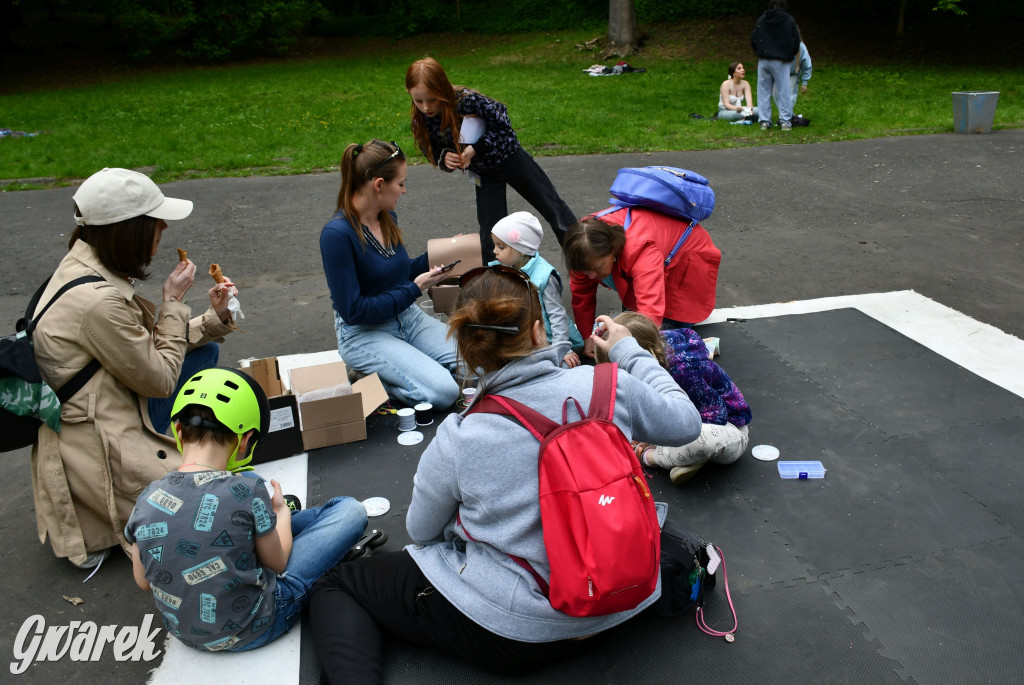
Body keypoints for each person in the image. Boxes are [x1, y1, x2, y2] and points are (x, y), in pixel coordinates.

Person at [309, 265, 701, 684]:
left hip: (520, 631)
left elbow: (421, 531)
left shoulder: (461, 435)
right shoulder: (606, 385)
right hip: (627, 598)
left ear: (466, 346)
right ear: (536, 331)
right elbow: (685, 424)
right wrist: (627, 351)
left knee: (337, 584)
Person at [30, 167, 237, 571]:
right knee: (219, 504)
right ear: (127, 231)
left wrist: (212, 319)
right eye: (154, 220)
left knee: (204, 358)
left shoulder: (87, 268)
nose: (163, 226)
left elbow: (144, 349)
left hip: (118, 401)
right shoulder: (97, 301)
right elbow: (159, 377)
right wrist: (173, 302)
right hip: (103, 438)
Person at [126, 368, 368, 652]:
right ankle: (274, 518)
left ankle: (266, 523)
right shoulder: (247, 492)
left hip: (186, 635)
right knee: (349, 510)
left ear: (178, 430)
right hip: (255, 628)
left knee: (250, 499)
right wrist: (282, 513)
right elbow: (276, 565)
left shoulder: (146, 498)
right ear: (245, 439)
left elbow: (143, 581)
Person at [319, 139, 460, 409]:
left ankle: (410, 366)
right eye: (401, 183)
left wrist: (438, 257)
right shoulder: (337, 236)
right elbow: (354, 311)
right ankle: (373, 382)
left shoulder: (386, 216)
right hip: (365, 333)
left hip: (407, 318)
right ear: (379, 184)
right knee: (443, 392)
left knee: (477, 362)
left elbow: (394, 274)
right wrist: (414, 289)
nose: (404, 190)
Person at [406, 57, 578, 264]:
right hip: (484, 174)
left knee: (554, 210)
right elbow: (430, 149)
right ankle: (497, 283)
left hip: (511, 158)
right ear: (410, 95)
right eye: (419, 101)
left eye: (432, 99)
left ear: (443, 88)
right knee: (491, 232)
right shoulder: (421, 118)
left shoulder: (469, 101)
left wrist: (476, 148)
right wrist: (445, 158)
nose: (426, 107)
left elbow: (504, 127)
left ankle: (584, 259)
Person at [596, 312, 752, 484]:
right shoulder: (653, 346)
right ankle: (688, 458)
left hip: (727, 428)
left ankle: (651, 457)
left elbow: (713, 418)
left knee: (705, 441)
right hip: (683, 422)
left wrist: (656, 441)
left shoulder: (685, 372)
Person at [563, 210, 721, 359]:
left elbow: (649, 308)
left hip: (687, 258)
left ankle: (703, 348)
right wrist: (588, 337)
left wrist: (638, 355)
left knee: (658, 338)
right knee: (628, 326)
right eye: (585, 271)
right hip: (652, 254)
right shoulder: (583, 248)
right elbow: (581, 296)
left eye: (596, 268)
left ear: (612, 250)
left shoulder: (640, 251)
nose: (591, 276)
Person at [489, 211, 583, 368]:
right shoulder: (505, 269)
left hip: (551, 340)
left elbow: (557, 315)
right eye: (495, 245)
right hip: (525, 338)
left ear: (521, 249)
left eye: (501, 246)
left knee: (558, 367)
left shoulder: (544, 276)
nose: (494, 251)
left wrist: (562, 349)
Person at [750, 0, 801, 131]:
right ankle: (785, 121)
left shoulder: (762, 19)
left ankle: (764, 121)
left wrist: (759, 52)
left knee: (763, 91)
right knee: (783, 91)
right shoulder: (789, 20)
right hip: (781, 60)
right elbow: (796, 40)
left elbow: (753, 38)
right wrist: (790, 54)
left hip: (764, 59)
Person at [789, 41, 812, 110]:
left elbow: (807, 64)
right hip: (778, 74)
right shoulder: (779, 43)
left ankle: (786, 117)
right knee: (777, 96)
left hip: (793, 74)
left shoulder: (801, 47)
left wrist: (805, 82)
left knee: (790, 96)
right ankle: (786, 115)